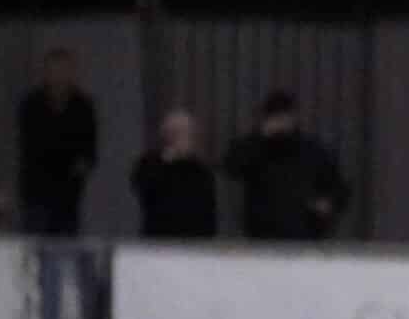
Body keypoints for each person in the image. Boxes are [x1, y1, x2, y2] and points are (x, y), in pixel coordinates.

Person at [224, 91, 347, 241]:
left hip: (304, 234)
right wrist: (260, 137)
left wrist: (328, 203)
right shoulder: (254, 148)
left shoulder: (312, 151)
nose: (280, 123)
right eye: (275, 118)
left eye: (284, 117)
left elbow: (338, 187)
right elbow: (231, 167)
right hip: (261, 236)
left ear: (294, 118)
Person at [18, 48, 98, 236]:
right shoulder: (32, 105)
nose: (59, 76)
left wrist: (82, 165)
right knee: (36, 239)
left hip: (69, 191)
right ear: (46, 73)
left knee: (65, 241)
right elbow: (32, 145)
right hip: (37, 188)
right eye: (54, 70)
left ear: (72, 73)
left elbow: (89, 147)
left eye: (64, 70)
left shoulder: (83, 106)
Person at [131, 107, 219, 240]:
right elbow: (143, 187)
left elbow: (208, 210)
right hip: (158, 238)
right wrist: (168, 159)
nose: (187, 139)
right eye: (179, 133)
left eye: (189, 133)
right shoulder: (150, 162)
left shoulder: (201, 170)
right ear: (167, 135)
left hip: (195, 240)